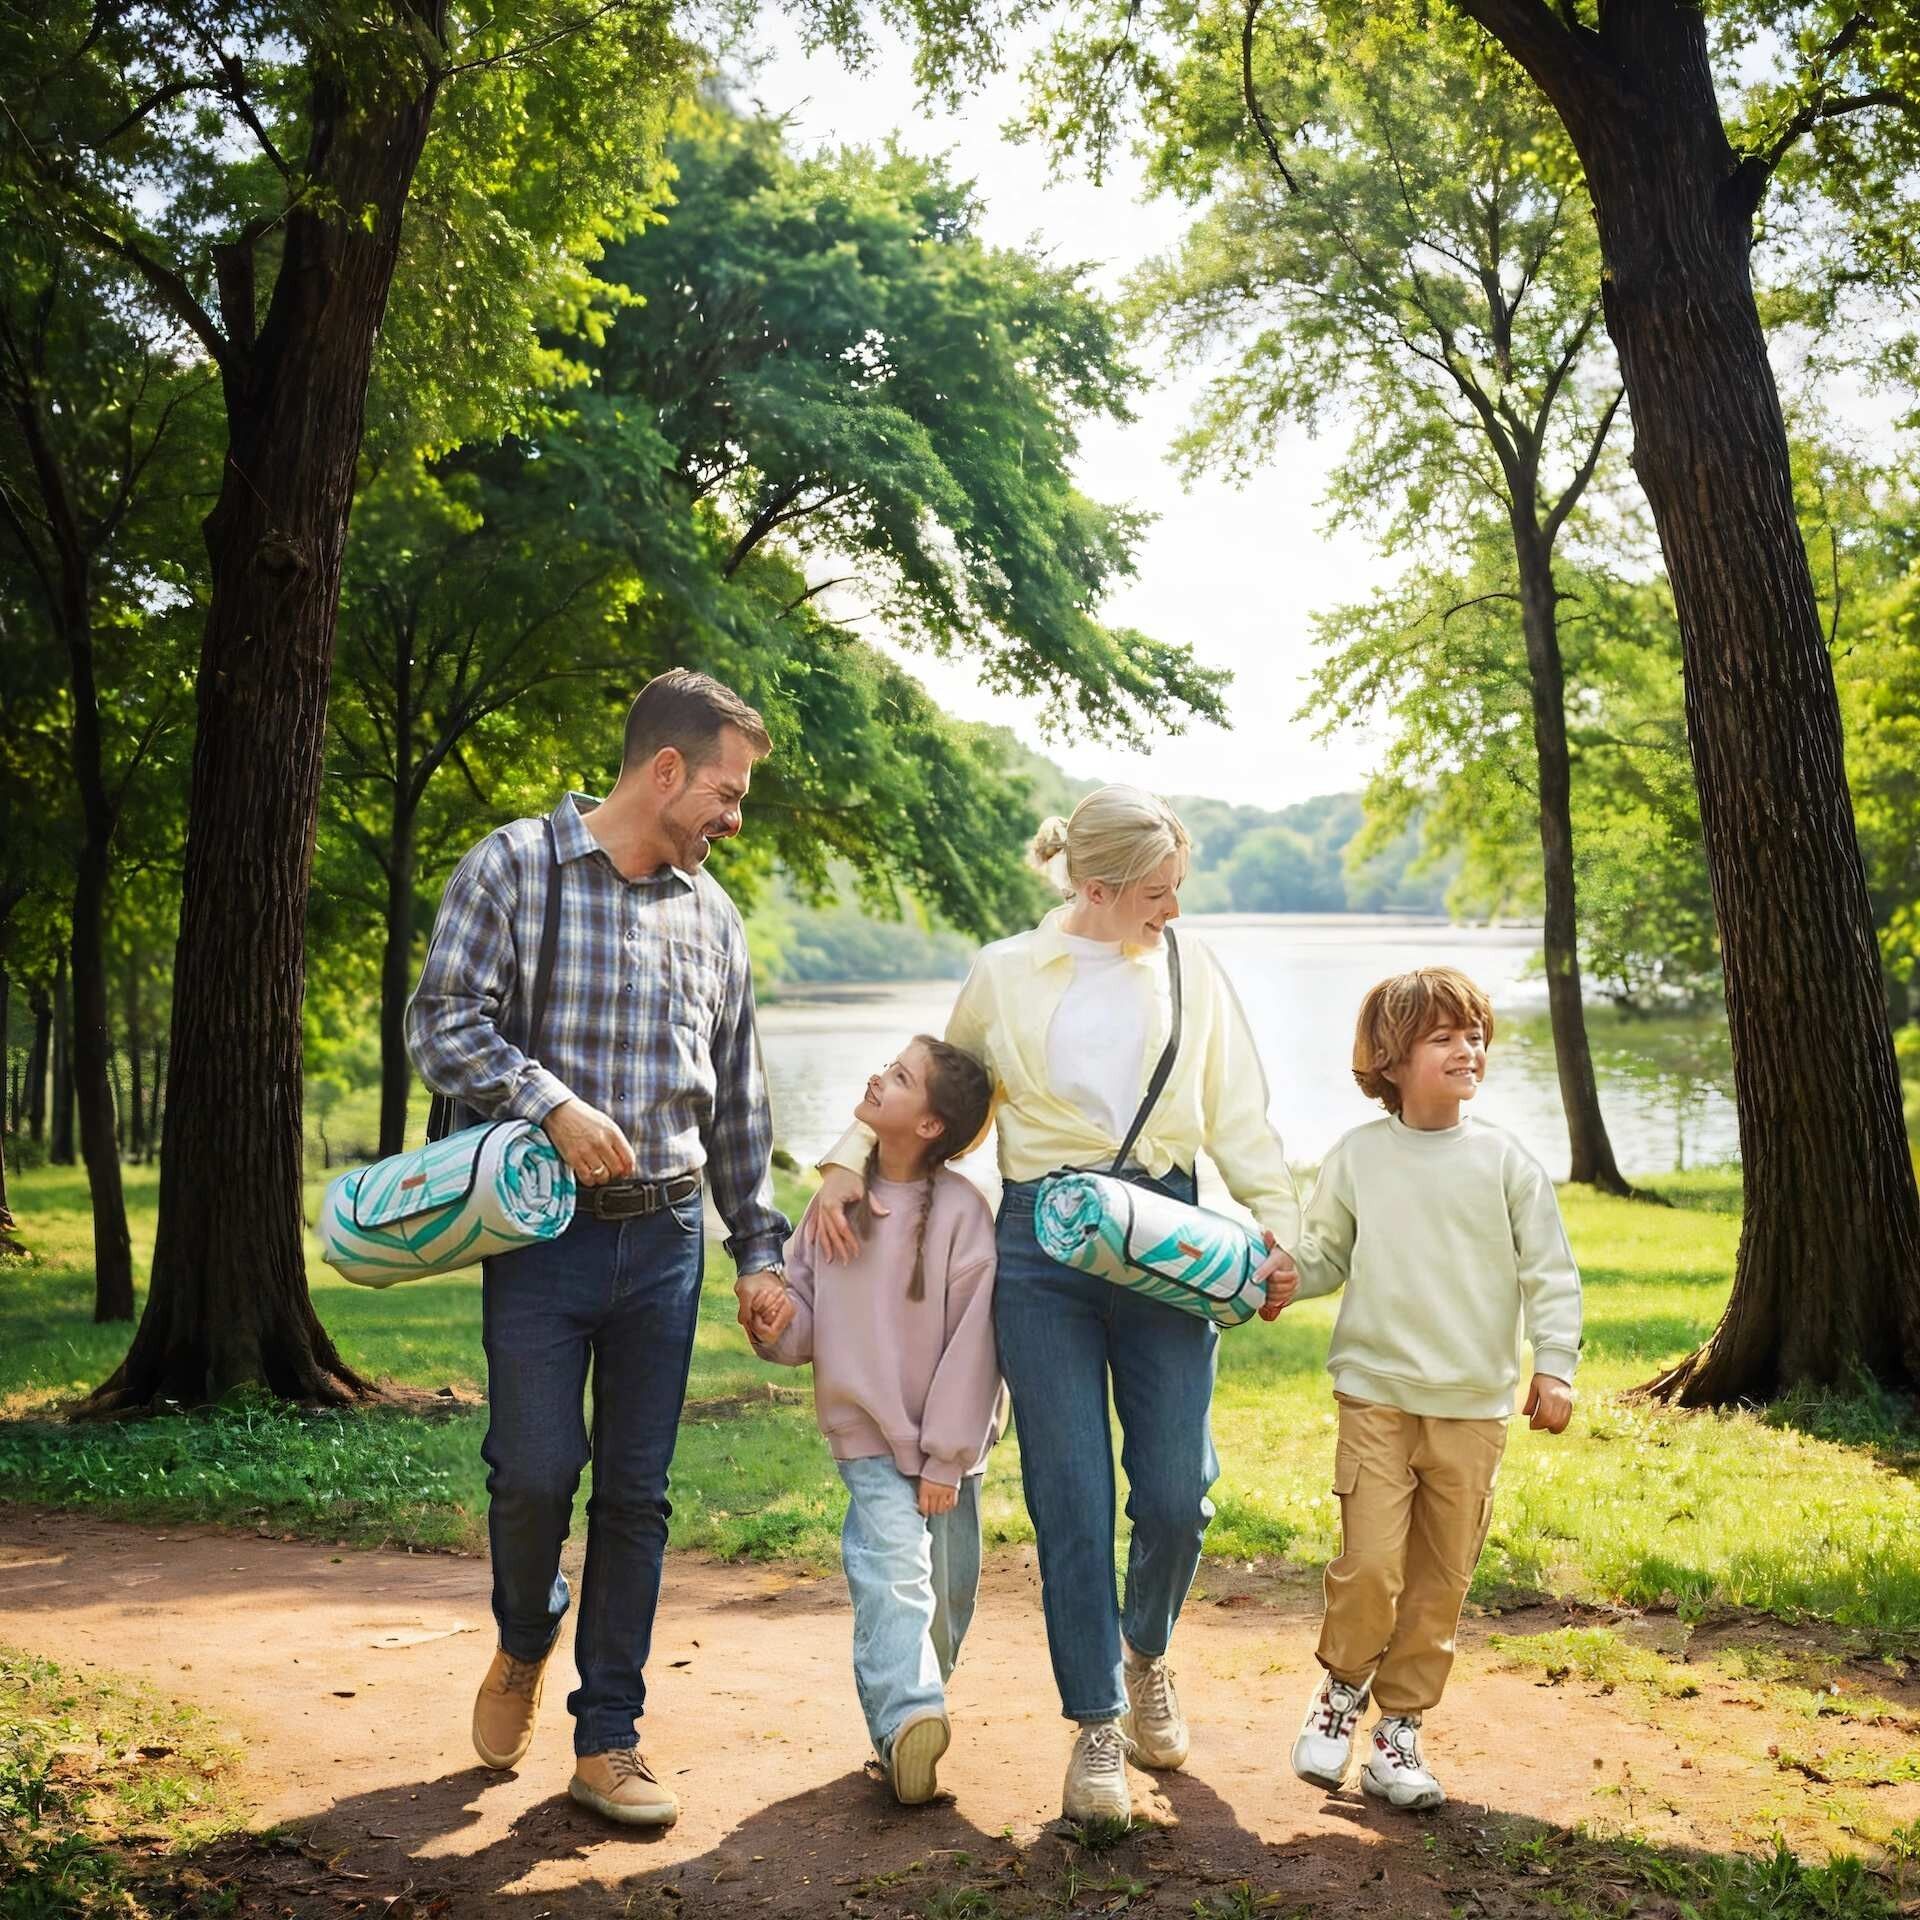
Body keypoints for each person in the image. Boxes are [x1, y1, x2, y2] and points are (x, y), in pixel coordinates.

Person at [808, 785, 1298, 1824]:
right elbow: (932, 1092)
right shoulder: (1005, 973)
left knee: (1177, 1492)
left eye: (1179, 889)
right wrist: (848, 1160)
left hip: (1165, 1237)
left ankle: (1149, 1649)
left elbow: (1241, 1113)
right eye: (1158, 893)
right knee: (1069, 1498)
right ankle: (1096, 1730)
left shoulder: (1190, 966)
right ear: (1097, 887)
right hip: (1039, 1246)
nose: (1174, 908)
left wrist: (1277, 1229)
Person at [405, 668, 796, 1828]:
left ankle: (608, 1738)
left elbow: (739, 1105)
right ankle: (526, 1636)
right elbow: (441, 1022)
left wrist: (757, 1252)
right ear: (665, 770)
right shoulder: (515, 866)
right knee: (531, 1474)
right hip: (538, 1237)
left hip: (667, 1240)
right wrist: (547, 1104)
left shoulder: (712, 915)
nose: (735, 817)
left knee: (637, 1494)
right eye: (725, 792)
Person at [1281, 966, 1582, 1812]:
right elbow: (1323, 1256)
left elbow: (1551, 1274)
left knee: (1440, 1582)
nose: (1468, 1049)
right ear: (1390, 1057)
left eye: (1475, 1035)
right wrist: (1275, 1279)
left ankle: (1397, 1733)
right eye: (1444, 1037)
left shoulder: (1504, 1161)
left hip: (1474, 1408)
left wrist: (1553, 1363)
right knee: (1371, 1563)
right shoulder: (1357, 1156)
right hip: (1376, 1394)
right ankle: (1342, 1693)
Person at [752, 1036, 999, 1805]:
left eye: (898, 1078)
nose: (876, 1077)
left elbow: (977, 1344)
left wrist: (946, 1458)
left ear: (930, 1125)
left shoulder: (964, 1213)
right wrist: (771, 1322)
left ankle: (909, 1724)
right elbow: (803, 1320)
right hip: (866, 1434)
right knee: (894, 1575)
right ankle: (908, 1719)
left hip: (948, 1449)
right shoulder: (835, 1203)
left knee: (947, 1601)